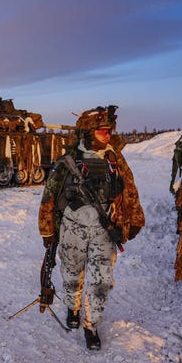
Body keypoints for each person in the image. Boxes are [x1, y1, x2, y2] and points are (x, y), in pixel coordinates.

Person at [37, 106, 145, 350]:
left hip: (104, 231)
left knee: (102, 281)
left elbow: (129, 189)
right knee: (72, 276)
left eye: (109, 130)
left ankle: (91, 325)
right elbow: (49, 195)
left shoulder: (114, 158)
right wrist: (47, 229)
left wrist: (135, 218)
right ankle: (73, 308)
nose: (108, 134)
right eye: (102, 130)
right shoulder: (67, 161)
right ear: (88, 132)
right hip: (72, 229)